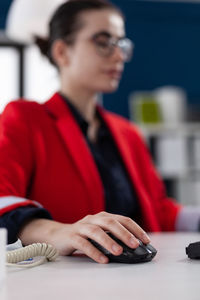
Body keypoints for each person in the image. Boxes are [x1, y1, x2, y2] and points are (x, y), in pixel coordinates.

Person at [0, 0, 199, 264]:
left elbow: (157, 211)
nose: (118, 56)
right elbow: (3, 197)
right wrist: (56, 231)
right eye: (103, 42)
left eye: (121, 44)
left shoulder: (127, 132)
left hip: (145, 277)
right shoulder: (25, 118)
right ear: (62, 51)